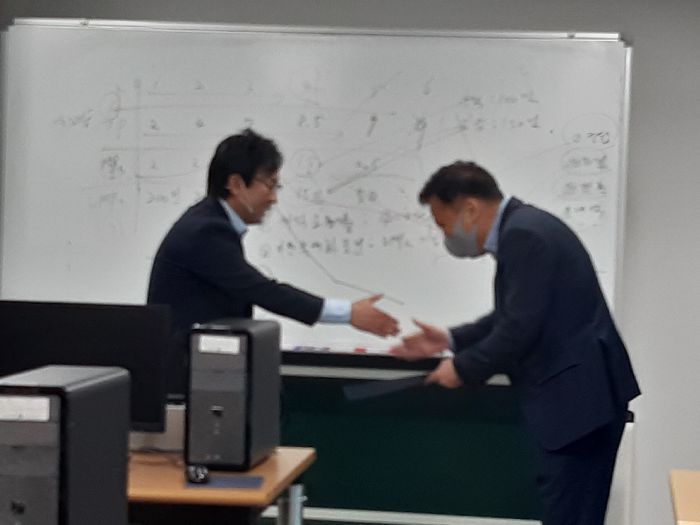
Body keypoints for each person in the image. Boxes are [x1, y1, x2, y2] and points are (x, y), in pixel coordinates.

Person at [390, 161, 640, 525]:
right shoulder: (526, 227)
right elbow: (514, 314)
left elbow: (519, 329)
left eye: (444, 224)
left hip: (579, 406)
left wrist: (461, 368)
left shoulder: (524, 236)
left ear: (470, 209)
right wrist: (451, 339)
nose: (446, 236)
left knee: (571, 514)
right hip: (582, 401)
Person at [148, 128, 399, 396]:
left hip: (203, 375)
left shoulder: (209, 222)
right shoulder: (206, 231)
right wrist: (348, 313)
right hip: (184, 383)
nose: (273, 198)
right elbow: (262, 290)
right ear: (236, 184)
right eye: (269, 185)